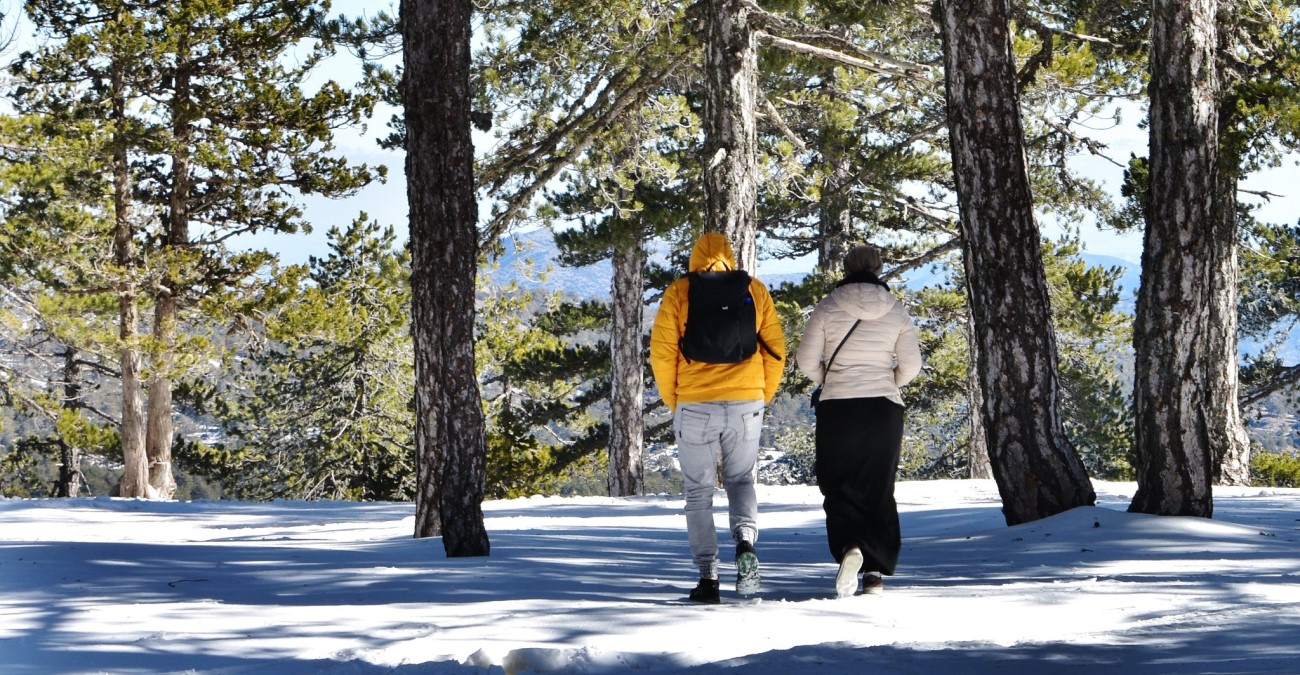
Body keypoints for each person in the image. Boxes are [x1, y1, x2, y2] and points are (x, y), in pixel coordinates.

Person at [650, 232, 786, 603]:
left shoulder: (680, 292)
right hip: (746, 401)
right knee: (741, 480)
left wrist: (676, 402)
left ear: (694, 258)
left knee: (698, 493)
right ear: (730, 256)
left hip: (695, 402)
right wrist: (759, 395)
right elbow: (775, 351)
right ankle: (745, 542)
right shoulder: (754, 289)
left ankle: (708, 577)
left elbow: (662, 355)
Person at [796, 244, 922, 597]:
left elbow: (806, 360)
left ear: (846, 269)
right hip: (882, 408)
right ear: (878, 268)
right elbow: (911, 366)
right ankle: (874, 573)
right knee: (879, 488)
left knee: (839, 485)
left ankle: (849, 546)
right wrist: (886, 383)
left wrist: (830, 380)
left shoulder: (828, 307)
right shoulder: (895, 310)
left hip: (838, 407)